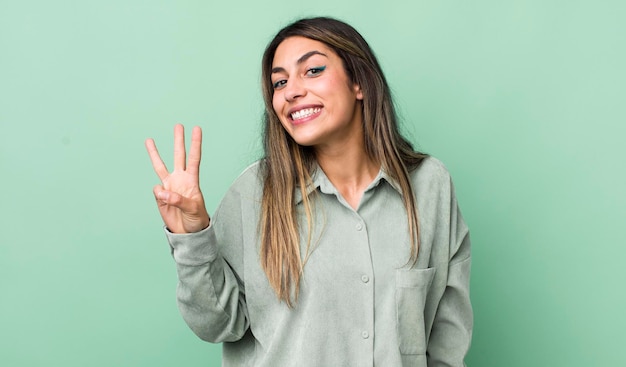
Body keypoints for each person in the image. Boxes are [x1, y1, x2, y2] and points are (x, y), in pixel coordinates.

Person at [145, 16, 472, 367]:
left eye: (312, 70)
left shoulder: (430, 186)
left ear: (359, 82)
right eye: (280, 81)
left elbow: (446, 335)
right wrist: (193, 237)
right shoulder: (254, 193)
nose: (291, 91)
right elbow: (219, 324)